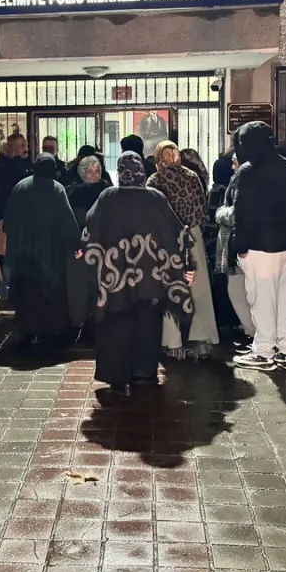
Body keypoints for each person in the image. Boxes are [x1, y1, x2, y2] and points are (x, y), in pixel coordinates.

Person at [80, 152, 194, 394]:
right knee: (148, 323)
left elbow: (90, 232)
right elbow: (176, 235)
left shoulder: (108, 197)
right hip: (150, 280)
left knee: (117, 324)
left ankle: (117, 375)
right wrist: (184, 266)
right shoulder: (156, 198)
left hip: (115, 281)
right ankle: (145, 373)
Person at [231, 121, 286, 371]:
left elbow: (242, 212)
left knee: (262, 300)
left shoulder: (248, 171)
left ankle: (263, 352)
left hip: (261, 245)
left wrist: (240, 245)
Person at [147, 141, 220, 359]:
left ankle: (172, 341)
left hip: (166, 238)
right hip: (193, 235)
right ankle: (203, 338)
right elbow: (201, 210)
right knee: (199, 287)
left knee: (170, 286)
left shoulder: (155, 180)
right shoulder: (192, 176)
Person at [3, 153, 80, 347]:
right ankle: (51, 329)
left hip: (24, 253)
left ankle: (27, 329)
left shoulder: (21, 187)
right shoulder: (56, 189)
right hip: (51, 252)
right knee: (51, 292)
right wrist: (75, 244)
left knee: (28, 292)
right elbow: (66, 221)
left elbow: (9, 220)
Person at [64, 154, 110, 331]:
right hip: (82, 244)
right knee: (81, 284)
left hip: (104, 243)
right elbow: (72, 220)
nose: (94, 174)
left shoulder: (106, 189)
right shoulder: (73, 192)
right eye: (89, 171)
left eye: (97, 170)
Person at [213, 152, 255, 345]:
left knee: (237, 291)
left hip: (238, 244)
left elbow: (236, 214)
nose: (232, 167)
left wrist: (220, 213)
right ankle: (254, 334)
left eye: (235, 163)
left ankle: (253, 333)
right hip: (246, 244)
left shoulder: (241, 180)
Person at [0, 132, 32, 304]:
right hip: (9, 221)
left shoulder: (26, 166)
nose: (25, 149)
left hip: (23, 220)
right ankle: (8, 294)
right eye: (21, 146)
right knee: (8, 258)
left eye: (25, 144)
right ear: (12, 148)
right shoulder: (6, 169)